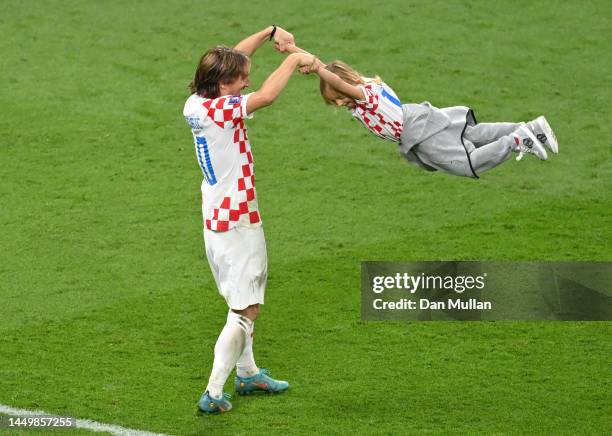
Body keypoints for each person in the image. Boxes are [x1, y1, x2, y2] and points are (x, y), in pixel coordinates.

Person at [183, 26, 315, 414]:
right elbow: (268, 96)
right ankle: (214, 392)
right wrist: (294, 57)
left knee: (242, 298)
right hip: (238, 220)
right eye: (240, 80)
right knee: (245, 310)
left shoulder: (197, 102)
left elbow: (233, 58)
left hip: (216, 217)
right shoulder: (225, 110)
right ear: (223, 84)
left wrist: (269, 32)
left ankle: (248, 373)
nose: (247, 82)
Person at [291, 50, 559, 178]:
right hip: (417, 115)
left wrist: (316, 70)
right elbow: (334, 72)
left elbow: (337, 80)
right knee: (473, 134)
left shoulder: (365, 97)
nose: (339, 104)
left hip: (416, 131)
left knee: (469, 163)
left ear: (346, 86)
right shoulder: (367, 84)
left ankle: (516, 140)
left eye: (338, 99)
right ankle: (531, 128)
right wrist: (296, 53)